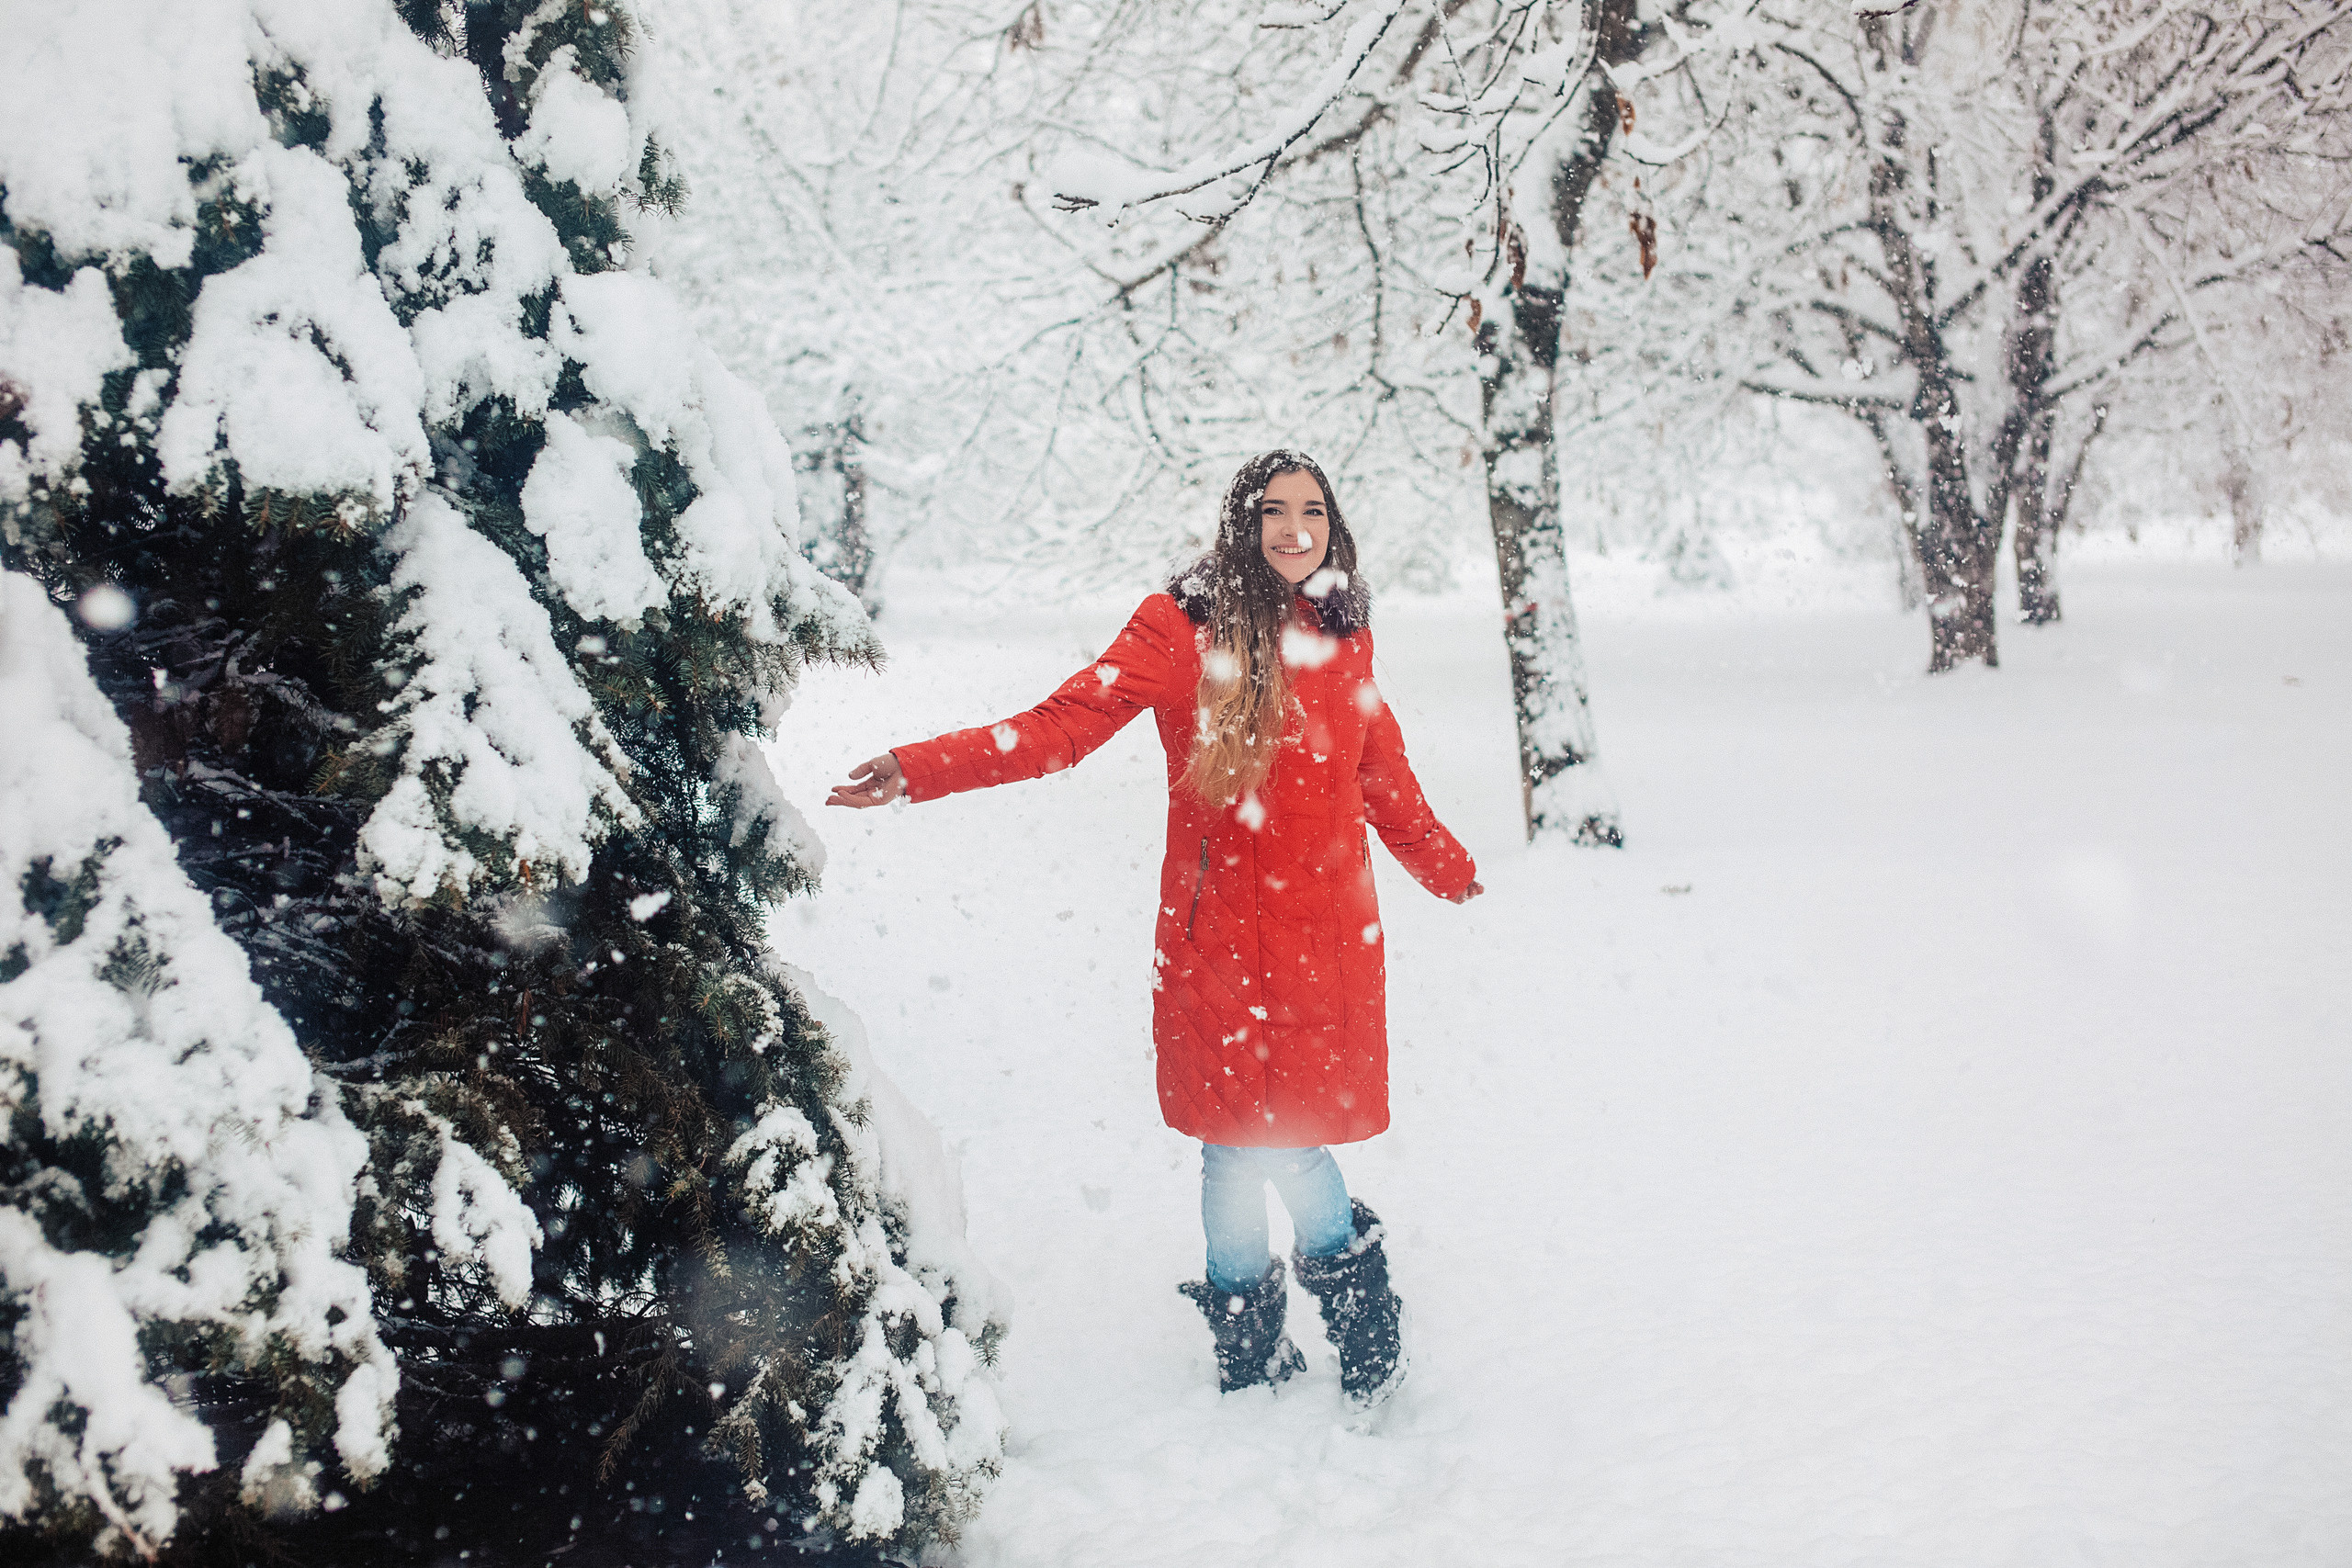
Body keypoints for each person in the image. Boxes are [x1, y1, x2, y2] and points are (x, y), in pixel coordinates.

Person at [827, 450, 1481, 1408]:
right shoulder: (1181, 626)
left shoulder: (1343, 634)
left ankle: (1285, 1335)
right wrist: (920, 767)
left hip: (1326, 941)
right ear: (1242, 523)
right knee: (1246, 1141)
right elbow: (1060, 727)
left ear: (1333, 525)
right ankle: (1314, 1330)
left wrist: (1444, 863)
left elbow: (1379, 769)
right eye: (1274, 510)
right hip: (1220, 944)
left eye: (1312, 510)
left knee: (1271, 1139)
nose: (1294, 528)